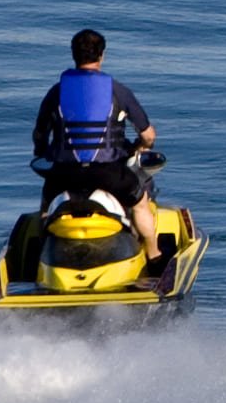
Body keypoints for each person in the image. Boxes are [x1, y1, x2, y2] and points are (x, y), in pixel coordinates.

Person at [32, 28, 163, 266]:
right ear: (101, 55)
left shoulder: (56, 92)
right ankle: (154, 256)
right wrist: (140, 147)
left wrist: (41, 152)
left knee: (45, 208)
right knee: (141, 202)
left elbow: (40, 135)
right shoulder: (117, 91)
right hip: (108, 172)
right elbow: (148, 135)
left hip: (65, 173)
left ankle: (40, 261)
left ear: (74, 55)